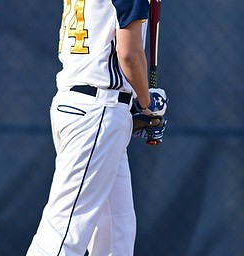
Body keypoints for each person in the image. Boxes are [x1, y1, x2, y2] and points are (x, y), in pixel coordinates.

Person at [26, 0, 167, 255]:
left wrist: (134, 103)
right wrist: (147, 103)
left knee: (117, 232)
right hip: (98, 109)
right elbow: (129, 54)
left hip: (85, 104)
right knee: (64, 233)